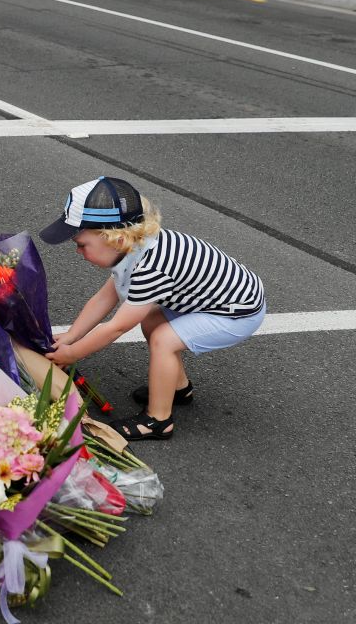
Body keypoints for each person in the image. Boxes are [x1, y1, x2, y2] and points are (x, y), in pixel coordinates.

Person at [39, 177, 266, 442]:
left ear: (115, 238)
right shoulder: (133, 247)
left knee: (163, 339)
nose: (78, 251)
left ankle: (157, 420)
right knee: (152, 320)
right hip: (217, 299)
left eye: (81, 244)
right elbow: (103, 299)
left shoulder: (150, 268)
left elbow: (117, 327)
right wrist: (71, 336)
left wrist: (72, 353)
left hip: (237, 312)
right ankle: (178, 388)